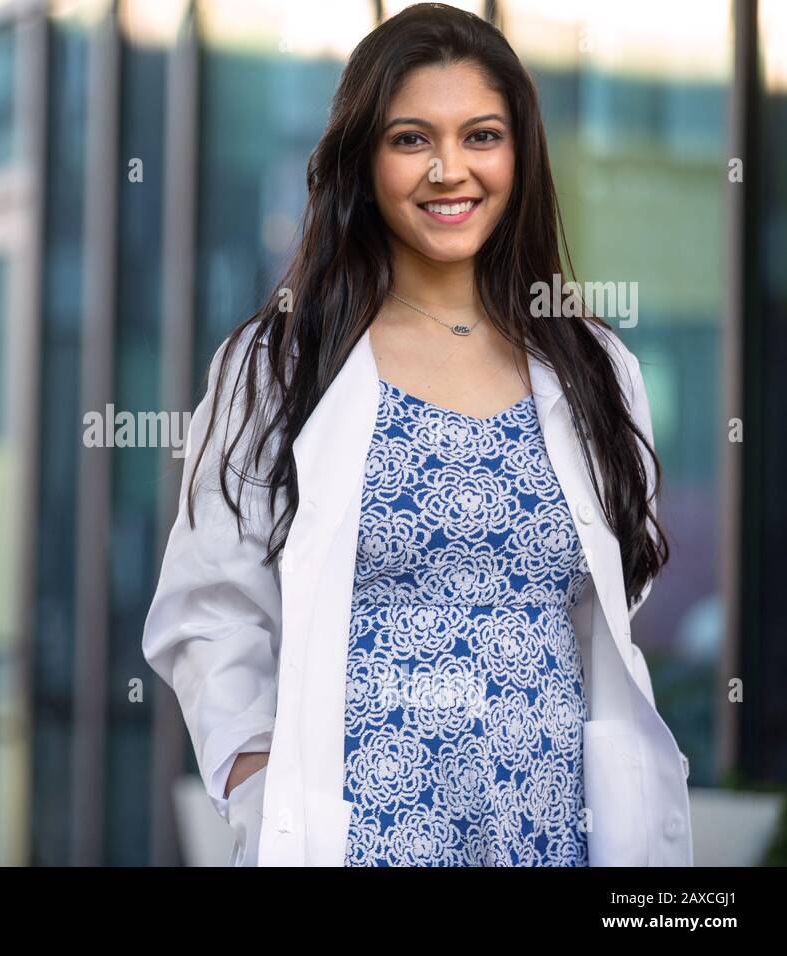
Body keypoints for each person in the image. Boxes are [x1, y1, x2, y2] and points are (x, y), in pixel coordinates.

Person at [142, 2, 692, 866]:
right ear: (364, 158)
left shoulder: (595, 367)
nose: (450, 170)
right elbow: (209, 608)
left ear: (520, 153)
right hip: (361, 833)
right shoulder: (281, 362)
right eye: (411, 140)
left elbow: (611, 597)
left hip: (553, 830)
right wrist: (253, 777)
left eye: (481, 136)